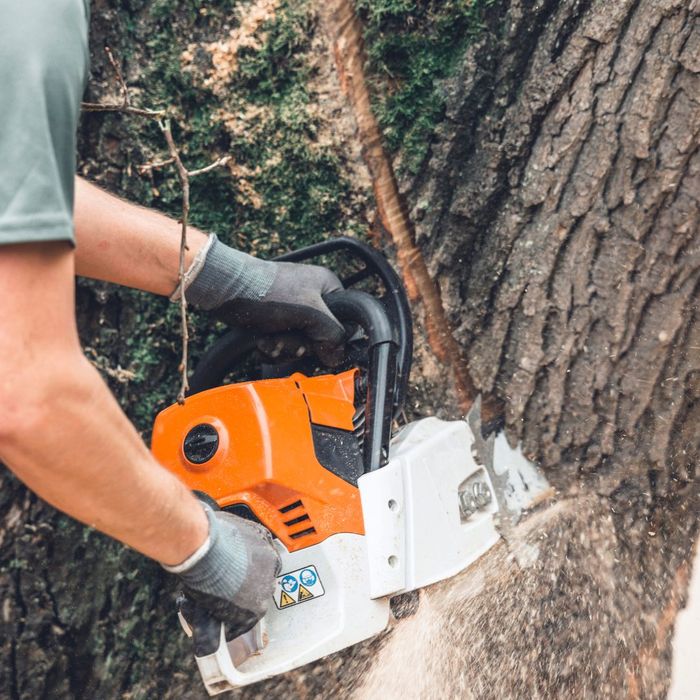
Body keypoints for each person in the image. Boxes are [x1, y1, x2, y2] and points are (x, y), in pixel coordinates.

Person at [0, 1, 345, 640]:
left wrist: (224, 276)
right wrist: (201, 547)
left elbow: (16, 182)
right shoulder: (26, 24)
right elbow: (26, 397)